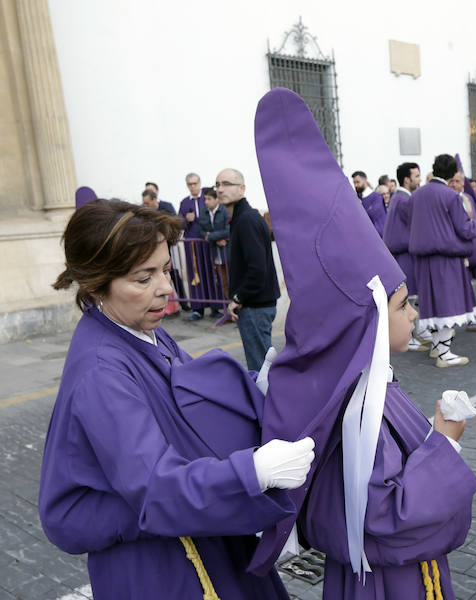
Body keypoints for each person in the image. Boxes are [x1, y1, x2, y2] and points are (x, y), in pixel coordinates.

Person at [247, 88, 476, 598]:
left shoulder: (366, 387)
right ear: (365, 322)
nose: (414, 313)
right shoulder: (357, 411)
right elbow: (383, 513)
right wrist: (445, 442)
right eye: (401, 305)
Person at [39, 199, 315, 599]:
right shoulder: (102, 373)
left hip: (195, 532)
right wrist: (251, 473)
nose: (166, 289)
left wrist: (257, 387)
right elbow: (155, 487)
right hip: (162, 565)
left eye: (165, 270)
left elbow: (190, 394)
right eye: (143, 277)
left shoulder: (139, 327)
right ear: (98, 282)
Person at [409, 154, 476, 367]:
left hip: (422, 260)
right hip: (446, 259)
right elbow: (466, 230)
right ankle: (444, 355)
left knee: (433, 306)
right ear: (451, 173)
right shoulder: (450, 196)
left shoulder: (417, 195)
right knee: (449, 306)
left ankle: (436, 349)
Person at [216, 168, 281, 372]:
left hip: (255, 308)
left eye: (226, 184)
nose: (220, 189)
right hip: (256, 306)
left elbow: (257, 270)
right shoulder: (241, 218)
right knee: (263, 368)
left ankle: (268, 404)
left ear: (242, 189)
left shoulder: (246, 220)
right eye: (217, 185)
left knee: (261, 370)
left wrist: (238, 299)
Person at [383, 161, 431, 351]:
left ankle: (416, 332)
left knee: (408, 296)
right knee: (407, 298)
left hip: (401, 253)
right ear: (407, 179)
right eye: (417, 176)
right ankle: (409, 337)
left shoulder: (399, 198)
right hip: (405, 254)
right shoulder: (404, 199)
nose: (419, 179)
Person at [448, 171, 476, 333]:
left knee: (467, 287)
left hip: (470, 246)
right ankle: (448, 324)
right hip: (455, 249)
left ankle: (471, 319)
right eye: (451, 181)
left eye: (458, 181)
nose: (454, 184)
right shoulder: (448, 199)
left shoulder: (468, 198)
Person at [178, 172, 213, 321]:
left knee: (211, 272)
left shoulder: (208, 197)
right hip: (192, 244)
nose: (193, 187)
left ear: (199, 183)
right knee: (195, 275)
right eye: (190, 184)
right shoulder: (185, 203)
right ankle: (197, 309)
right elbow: (179, 223)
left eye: (195, 183)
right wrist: (186, 220)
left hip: (209, 241)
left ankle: (216, 307)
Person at [198, 187, 229, 318]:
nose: (206, 201)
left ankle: (236, 310)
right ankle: (229, 310)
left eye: (209, 199)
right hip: (214, 252)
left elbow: (228, 230)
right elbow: (201, 231)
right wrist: (215, 238)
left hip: (228, 252)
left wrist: (211, 236)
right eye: (205, 199)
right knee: (222, 282)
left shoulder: (225, 211)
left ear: (217, 200)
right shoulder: (203, 212)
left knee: (230, 280)